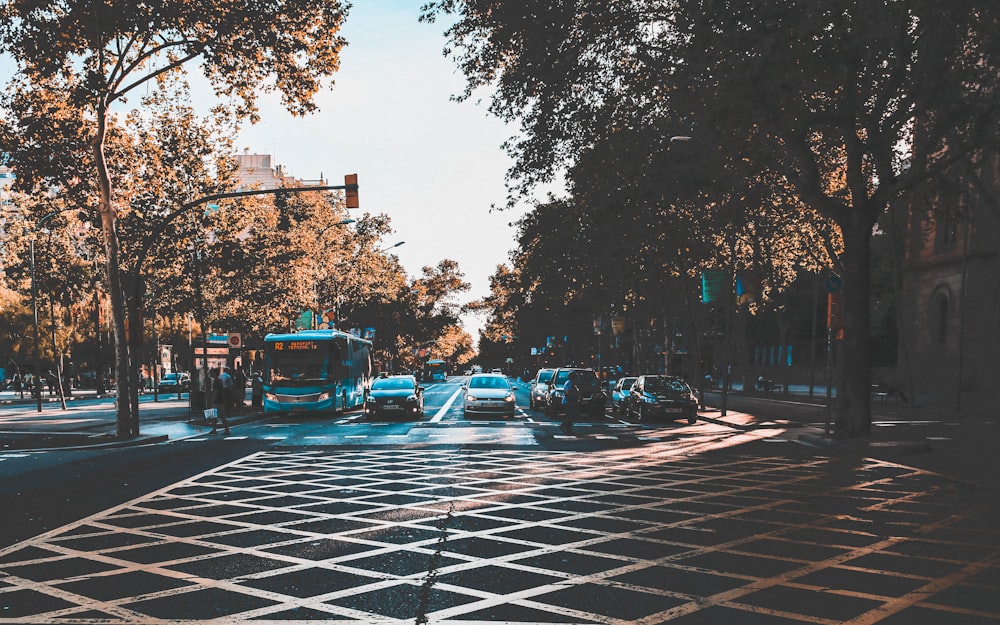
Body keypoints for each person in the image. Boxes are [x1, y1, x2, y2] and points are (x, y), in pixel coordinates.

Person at [209, 368, 231, 435]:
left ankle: (226, 429)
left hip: (217, 400)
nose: (210, 373)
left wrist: (212, 400)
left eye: (211, 372)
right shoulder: (218, 380)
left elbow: (216, 392)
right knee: (216, 416)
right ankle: (215, 429)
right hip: (220, 400)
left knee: (220, 415)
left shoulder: (216, 381)